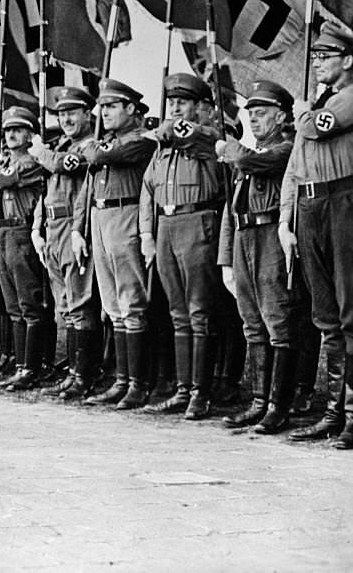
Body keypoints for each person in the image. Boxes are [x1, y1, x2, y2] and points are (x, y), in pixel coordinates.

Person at [280, 22, 353, 448]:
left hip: (342, 199)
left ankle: (351, 415)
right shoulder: (319, 103)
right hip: (311, 204)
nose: (318, 62)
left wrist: (303, 112)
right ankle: (333, 410)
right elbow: (297, 162)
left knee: (349, 311)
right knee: (324, 314)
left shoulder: (343, 100)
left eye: (326, 56)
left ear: (348, 60)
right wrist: (288, 217)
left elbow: (317, 128)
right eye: (317, 55)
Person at [140, 73, 225, 420]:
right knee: (178, 314)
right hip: (167, 225)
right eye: (171, 102)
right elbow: (149, 188)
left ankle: (201, 394)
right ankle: (183, 389)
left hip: (197, 223)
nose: (175, 108)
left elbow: (187, 133)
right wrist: (147, 234)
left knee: (199, 312)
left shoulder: (206, 138)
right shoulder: (163, 150)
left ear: (201, 107)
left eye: (183, 102)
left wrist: (168, 129)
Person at [216, 81, 299, 434]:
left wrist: (227, 147)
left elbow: (251, 160)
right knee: (252, 322)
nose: (254, 120)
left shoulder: (286, 149)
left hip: (269, 237)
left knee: (277, 320)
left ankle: (279, 407)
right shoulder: (249, 153)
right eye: (250, 113)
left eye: (262, 113)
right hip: (244, 235)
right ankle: (259, 401)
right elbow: (230, 210)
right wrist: (226, 258)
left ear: (281, 116)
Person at [72, 80, 157, 409]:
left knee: (131, 301)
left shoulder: (139, 140)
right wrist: (79, 228)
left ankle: (138, 384)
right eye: (102, 107)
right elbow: (87, 189)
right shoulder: (104, 145)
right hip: (100, 216)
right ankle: (121, 380)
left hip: (127, 214)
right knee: (112, 306)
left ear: (131, 109)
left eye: (111, 107)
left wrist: (93, 148)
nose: (103, 113)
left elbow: (94, 154)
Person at [30, 88, 101, 400]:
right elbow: (45, 190)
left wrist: (39, 152)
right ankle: (73, 373)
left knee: (80, 303)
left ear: (88, 113)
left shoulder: (90, 146)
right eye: (61, 114)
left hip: (76, 226)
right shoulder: (59, 147)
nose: (67, 119)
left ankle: (85, 375)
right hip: (54, 227)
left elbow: (64, 165)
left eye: (73, 112)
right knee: (66, 307)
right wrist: (39, 228)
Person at [0, 107, 49, 390]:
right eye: (7, 131)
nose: (10, 135)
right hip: (2, 232)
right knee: (13, 305)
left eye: (18, 130)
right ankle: (20, 365)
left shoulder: (31, 162)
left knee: (28, 302)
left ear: (30, 134)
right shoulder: (5, 163)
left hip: (22, 232)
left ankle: (31, 368)